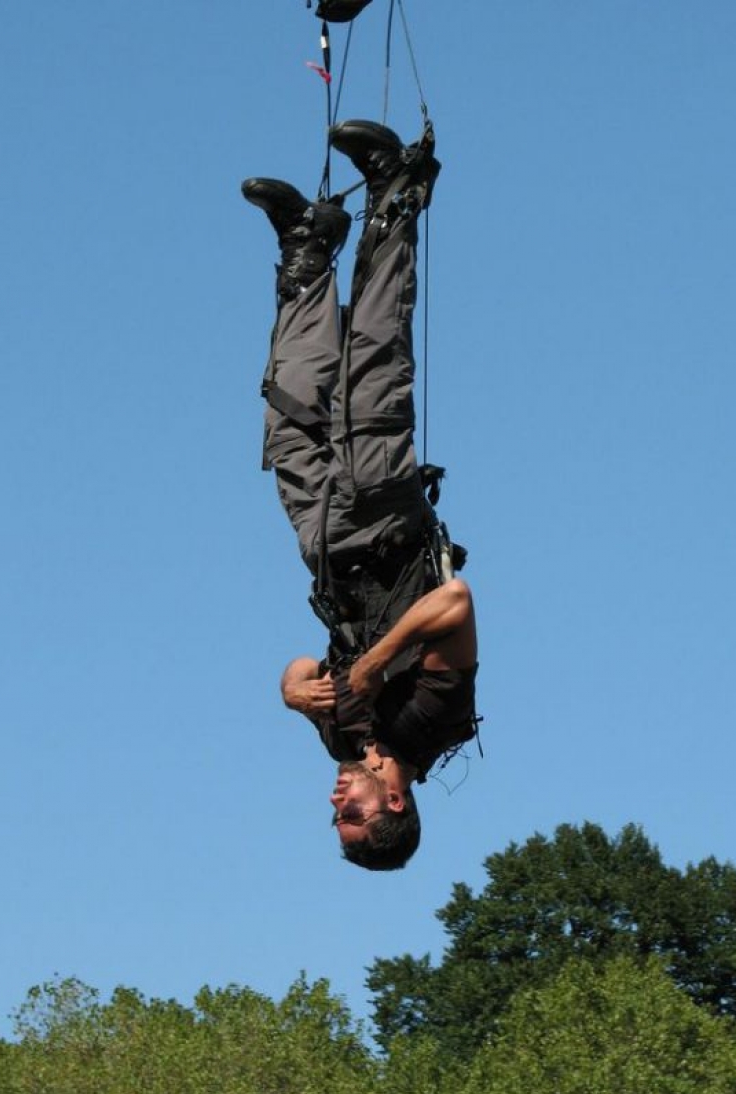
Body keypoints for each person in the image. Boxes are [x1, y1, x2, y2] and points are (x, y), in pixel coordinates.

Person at [243, 120, 478, 870]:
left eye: (335, 816)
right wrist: (376, 664)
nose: (334, 801)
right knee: (371, 363)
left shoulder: (343, 738)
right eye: (352, 814)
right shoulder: (430, 724)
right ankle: (394, 190)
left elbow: (298, 668)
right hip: (383, 518)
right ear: (395, 804)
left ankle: (308, 251)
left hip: (319, 542)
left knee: (290, 406)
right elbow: (456, 605)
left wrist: (291, 690)